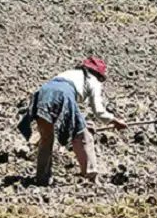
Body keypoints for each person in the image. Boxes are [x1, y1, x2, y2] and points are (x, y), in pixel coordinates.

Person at [18, 57, 129, 186]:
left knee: (46, 138)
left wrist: (82, 124)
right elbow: (98, 111)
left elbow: (63, 113)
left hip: (43, 93)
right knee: (84, 137)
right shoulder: (93, 81)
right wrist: (115, 121)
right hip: (62, 95)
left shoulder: (70, 74)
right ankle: (91, 177)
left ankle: (41, 178)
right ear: (98, 74)